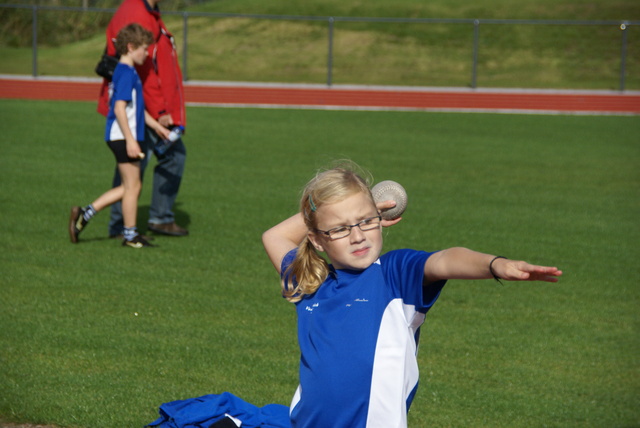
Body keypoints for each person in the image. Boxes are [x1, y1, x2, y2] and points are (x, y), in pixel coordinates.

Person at [262, 163, 562, 428]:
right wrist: (338, 208)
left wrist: (495, 264)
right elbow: (273, 237)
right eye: (340, 229)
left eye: (367, 222)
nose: (357, 236)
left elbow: (446, 260)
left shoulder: (393, 274)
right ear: (315, 239)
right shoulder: (312, 282)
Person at [70, 23, 170, 248]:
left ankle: (86, 215)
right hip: (123, 136)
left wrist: (158, 127)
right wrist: (131, 140)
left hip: (122, 136)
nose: (147, 53)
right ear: (131, 47)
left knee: (129, 186)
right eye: (144, 49)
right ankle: (130, 235)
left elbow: (137, 108)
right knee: (133, 187)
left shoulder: (127, 71)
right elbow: (118, 109)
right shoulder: (126, 72)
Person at [97, 0, 189, 238]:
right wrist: (160, 112)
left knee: (138, 169)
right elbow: (143, 72)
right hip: (142, 111)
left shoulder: (146, 11)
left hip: (147, 111)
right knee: (135, 170)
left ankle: (126, 223)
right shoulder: (136, 12)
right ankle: (125, 226)